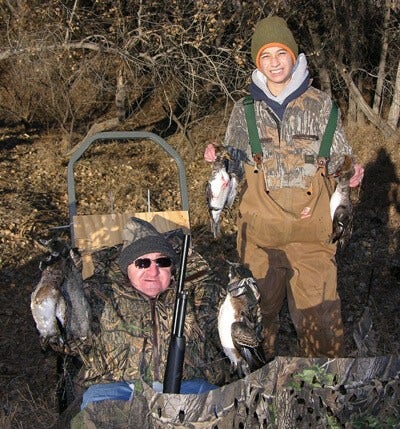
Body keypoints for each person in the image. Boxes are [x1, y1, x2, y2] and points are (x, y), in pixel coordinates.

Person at [204, 16, 364, 359]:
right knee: (254, 325)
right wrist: (220, 159)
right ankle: (259, 393)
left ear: (294, 56)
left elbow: (342, 161)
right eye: (265, 55)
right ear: (256, 61)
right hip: (260, 240)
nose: (274, 62)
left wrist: (350, 172)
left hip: (313, 239)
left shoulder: (322, 106)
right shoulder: (244, 111)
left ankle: (322, 399)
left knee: (322, 325)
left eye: (281, 53)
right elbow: (233, 168)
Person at [47, 217, 228, 416]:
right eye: (142, 263)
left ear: (172, 268)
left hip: (189, 387)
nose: (153, 270)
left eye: (163, 261)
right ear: (127, 269)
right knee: (98, 410)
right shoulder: (98, 294)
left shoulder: (200, 293)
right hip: (117, 391)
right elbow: (68, 342)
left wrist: (246, 302)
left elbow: (237, 336)